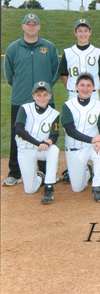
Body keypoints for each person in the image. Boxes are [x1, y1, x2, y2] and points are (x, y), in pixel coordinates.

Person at [3, 14, 59, 186]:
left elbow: (55, 72)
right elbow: (9, 75)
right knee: (18, 135)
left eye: (35, 24)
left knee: (45, 133)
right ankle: (14, 172)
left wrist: (45, 91)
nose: (32, 27)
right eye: (29, 24)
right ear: (23, 27)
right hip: (20, 99)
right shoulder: (13, 48)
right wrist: (22, 87)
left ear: (39, 27)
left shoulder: (48, 47)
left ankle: (45, 171)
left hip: (44, 100)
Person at [61, 73, 100, 202]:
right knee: (77, 187)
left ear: (94, 87)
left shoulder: (99, 105)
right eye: (82, 85)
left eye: (88, 85)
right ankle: (87, 171)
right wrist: (93, 139)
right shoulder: (67, 106)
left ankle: (98, 186)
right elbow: (70, 130)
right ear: (76, 86)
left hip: (92, 147)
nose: (85, 88)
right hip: (74, 149)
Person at [15, 82, 60, 204]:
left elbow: (54, 135)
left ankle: (49, 186)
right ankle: (40, 176)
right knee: (30, 189)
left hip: (42, 150)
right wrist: (38, 142)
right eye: (39, 95)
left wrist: (49, 141)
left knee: (54, 149)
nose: (42, 98)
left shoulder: (54, 114)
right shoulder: (24, 108)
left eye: (45, 94)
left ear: (50, 96)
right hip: (25, 149)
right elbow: (18, 129)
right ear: (33, 96)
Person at [59, 19, 100, 101]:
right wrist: (72, 88)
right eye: (80, 31)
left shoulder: (97, 52)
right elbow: (64, 75)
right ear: (75, 33)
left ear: (90, 32)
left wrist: (94, 90)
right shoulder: (68, 52)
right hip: (74, 94)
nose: (83, 34)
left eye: (85, 31)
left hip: (93, 95)